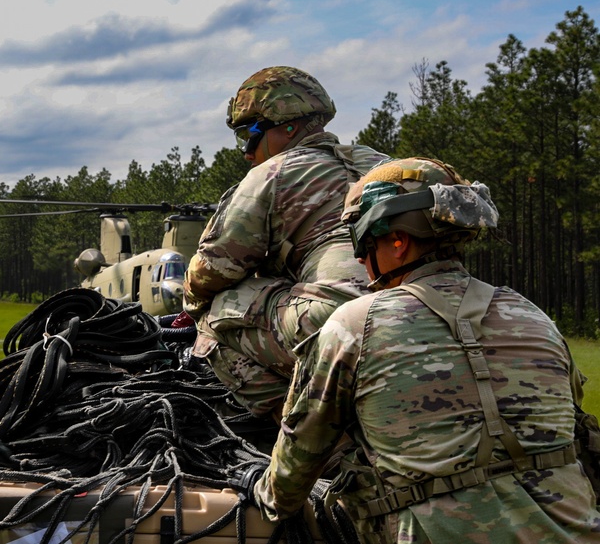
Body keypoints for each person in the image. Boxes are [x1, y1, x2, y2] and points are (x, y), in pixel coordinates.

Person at [253, 157, 600, 542]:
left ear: (398, 242)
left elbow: (292, 474)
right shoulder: (532, 314)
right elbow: (576, 429)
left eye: (363, 242)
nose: (358, 259)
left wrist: (260, 491)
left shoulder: (355, 324)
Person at [184, 66, 387, 422]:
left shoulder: (272, 173)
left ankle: (311, 433)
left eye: (249, 134)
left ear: (287, 126)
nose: (247, 152)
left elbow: (213, 270)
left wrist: (191, 305)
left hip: (343, 327)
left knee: (216, 317)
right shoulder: (381, 164)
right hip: (417, 317)